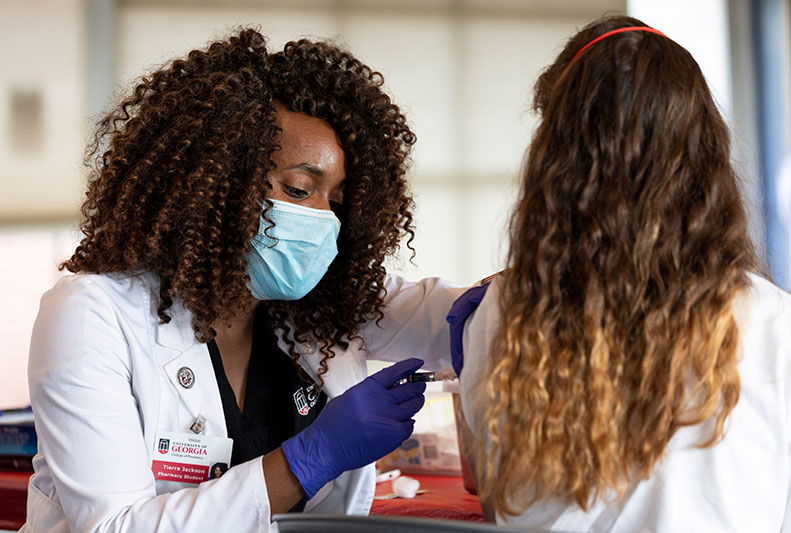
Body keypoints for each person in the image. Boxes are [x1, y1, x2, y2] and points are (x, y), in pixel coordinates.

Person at [22, 29, 462, 533]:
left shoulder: (320, 306)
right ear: (211, 183)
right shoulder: (90, 313)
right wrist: (306, 462)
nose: (325, 221)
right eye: (299, 190)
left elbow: (450, 314)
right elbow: (113, 528)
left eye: (335, 201)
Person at [450, 16, 791, 532]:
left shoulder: (505, 313)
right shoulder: (781, 327)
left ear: (556, 162)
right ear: (704, 155)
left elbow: (496, 500)